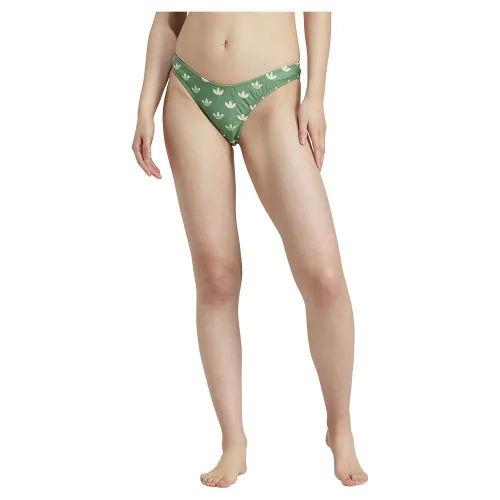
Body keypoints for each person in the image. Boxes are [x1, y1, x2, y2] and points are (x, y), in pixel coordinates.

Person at [132, 12, 367, 488]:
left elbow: (318, 8)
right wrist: (144, 107)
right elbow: (168, 20)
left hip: (273, 91)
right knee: (216, 276)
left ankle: (339, 426)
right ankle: (232, 441)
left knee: (323, 275)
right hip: (190, 91)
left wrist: (316, 95)